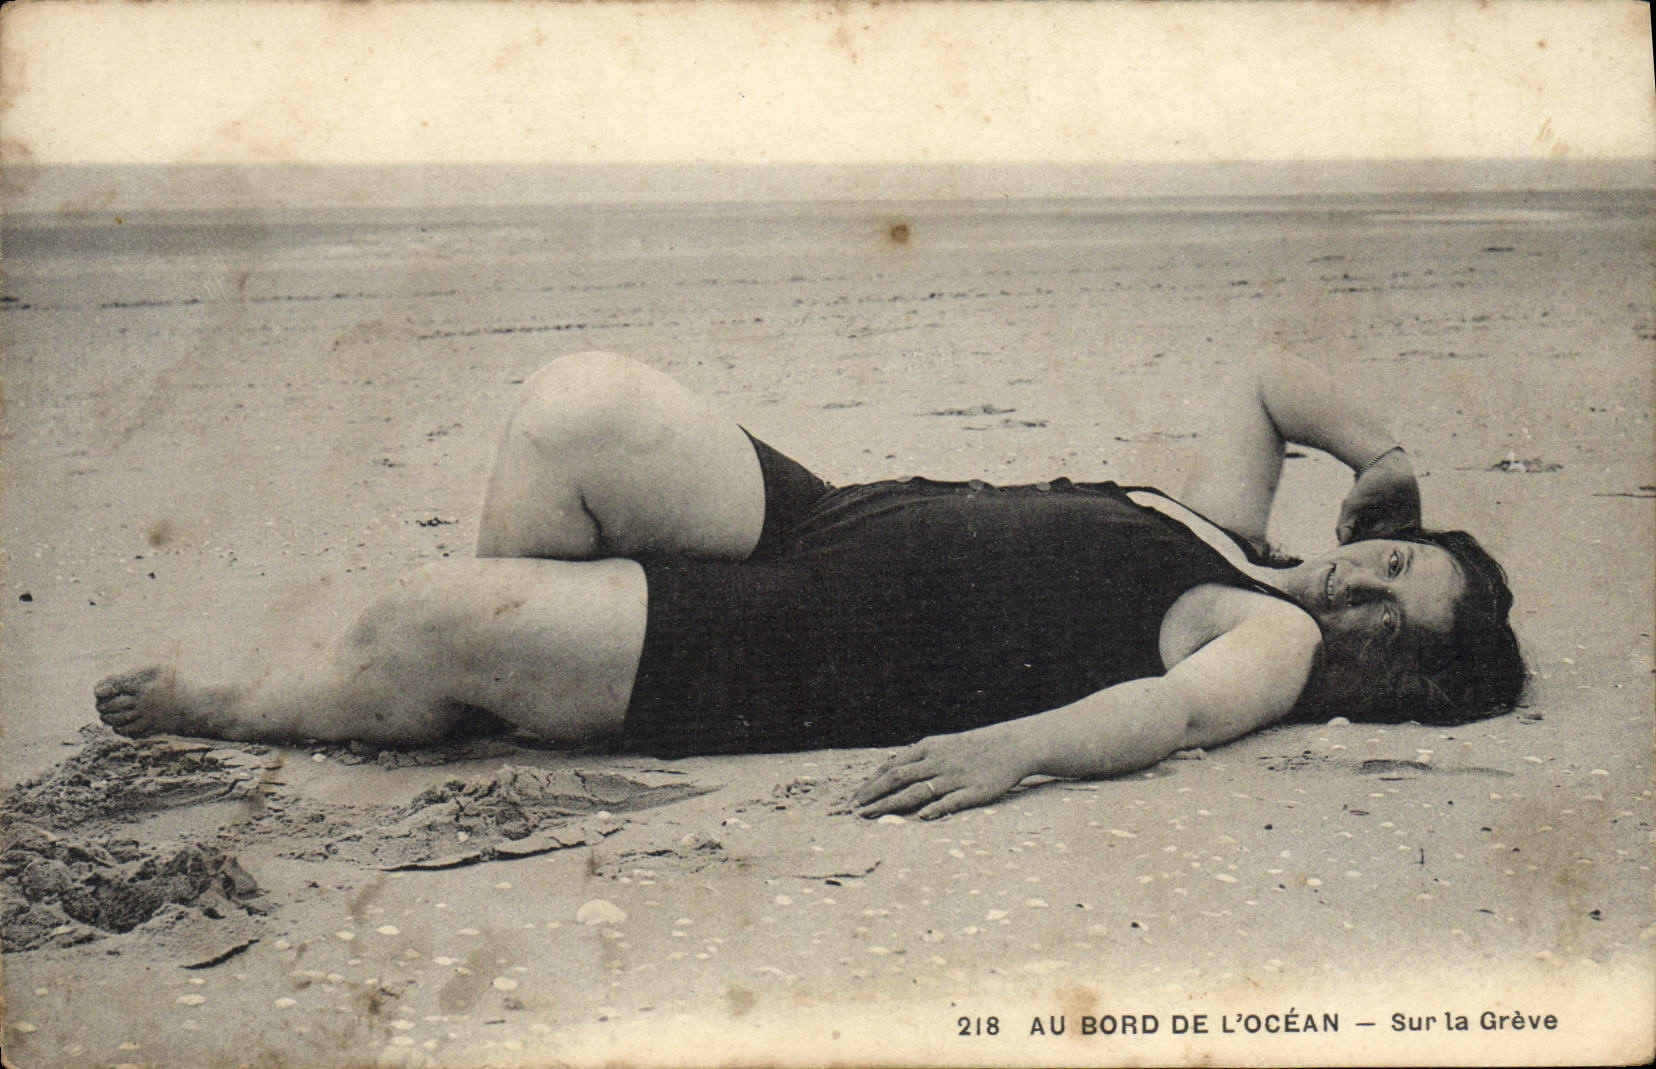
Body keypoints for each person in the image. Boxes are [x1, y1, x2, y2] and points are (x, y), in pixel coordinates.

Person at [95, 350, 1525, 819]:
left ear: (1381, 669)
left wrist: (1008, 749)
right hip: (823, 515)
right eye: (1390, 563)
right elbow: (1269, 383)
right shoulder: (1239, 535)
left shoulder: (1266, 641)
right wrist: (1383, 458)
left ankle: (271, 700)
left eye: (1389, 619)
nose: (1361, 588)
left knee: (416, 619)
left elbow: (1176, 719)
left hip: (791, 650)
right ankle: (497, 671)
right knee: (570, 407)